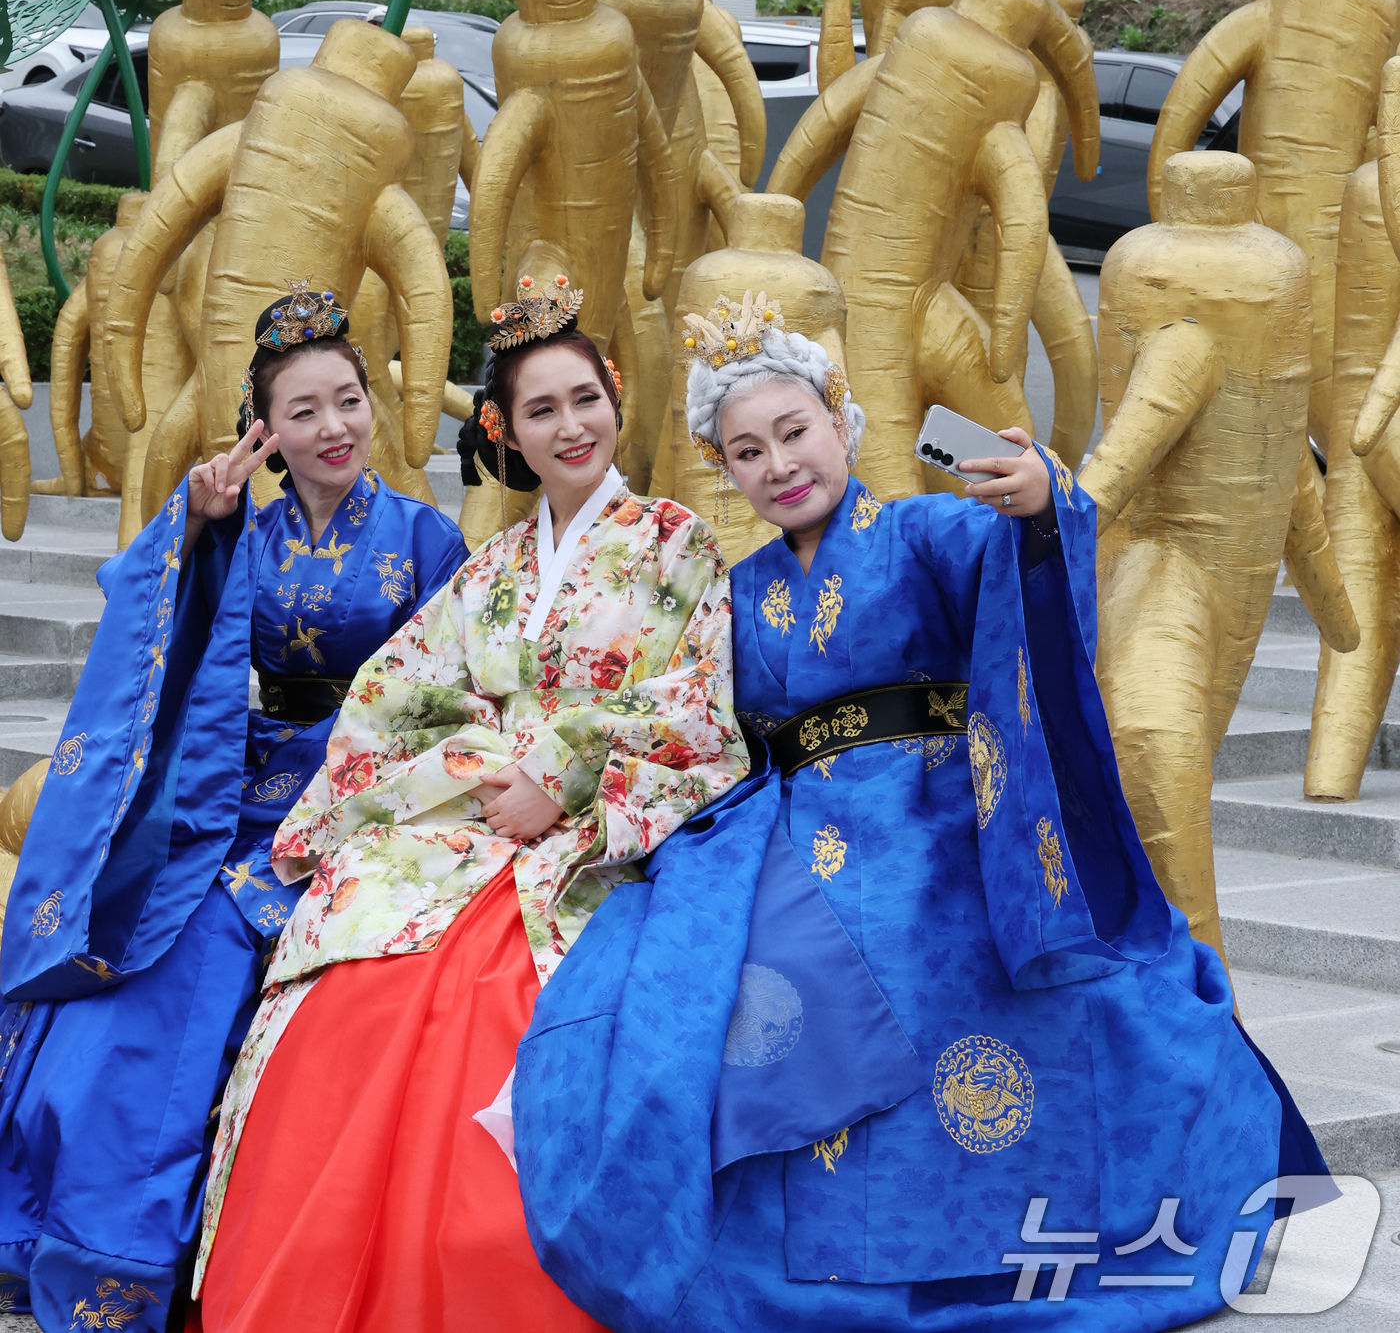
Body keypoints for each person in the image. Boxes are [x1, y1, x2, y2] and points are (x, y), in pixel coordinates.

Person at [513, 288, 1330, 1332]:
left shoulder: (922, 530)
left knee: (928, 941)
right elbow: (696, 714)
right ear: (723, 470)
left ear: (840, 416)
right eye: (746, 450)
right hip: (792, 811)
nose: (779, 463)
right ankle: (780, 1245)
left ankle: (975, 1236)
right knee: (693, 971)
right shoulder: (736, 586)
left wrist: (1039, 500)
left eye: (794, 430)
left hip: (939, 803)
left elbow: (1022, 552)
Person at [191, 273, 748, 1333]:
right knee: (346, 983)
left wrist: (564, 761)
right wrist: (484, 767)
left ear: (615, 397)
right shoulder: (489, 567)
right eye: (539, 409)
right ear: (503, 430)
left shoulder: (677, 542)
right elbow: (390, 698)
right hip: (472, 815)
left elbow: (698, 701)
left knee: (492, 998)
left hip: (593, 824)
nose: (569, 425)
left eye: (583, 398)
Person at [0, 281, 467, 1333]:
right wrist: (200, 528)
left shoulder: (426, 536)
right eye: (301, 411)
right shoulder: (242, 531)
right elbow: (157, 633)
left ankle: (145, 1248)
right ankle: (72, 1233)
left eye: (346, 399)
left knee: (207, 955)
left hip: (370, 790)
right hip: (238, 785)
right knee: (134, 955)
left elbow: (460, 686)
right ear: (266, 430)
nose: (331, 427)